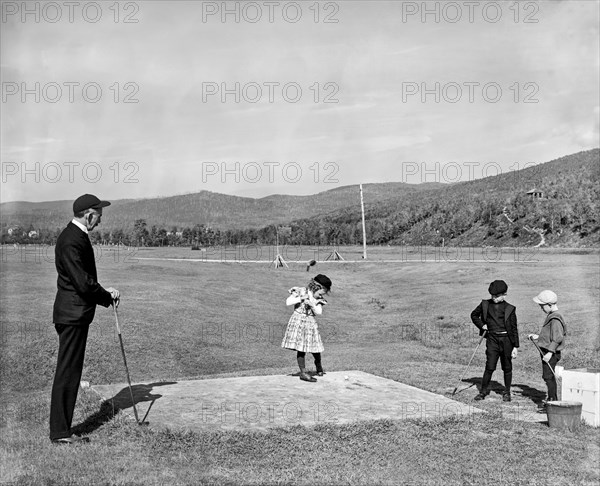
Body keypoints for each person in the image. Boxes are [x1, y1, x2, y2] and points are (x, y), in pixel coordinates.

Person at [49, 194, 120, 444]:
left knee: (70, 371)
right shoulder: (71, 240)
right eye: (98, 216)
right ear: (89, 214)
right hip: (72, 315)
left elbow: (84, 280)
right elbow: (83, 283)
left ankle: (61, 430)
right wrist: (106, 296)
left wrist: (103, 292)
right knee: (68, 372)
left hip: (74, 314)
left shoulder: (76, 236)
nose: (99, 221)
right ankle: (60, 433)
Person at [470, 279, 519, 402]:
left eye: (497, 296)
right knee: (490, 366)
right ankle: (483, 392)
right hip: (492, 339)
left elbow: (514, 328)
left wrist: (515, 347)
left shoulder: (510, 308)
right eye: (492, 295)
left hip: (507, 340)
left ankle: (507, 392)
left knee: (507, 367)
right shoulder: (485, 304)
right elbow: (474, 315)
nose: (494, 298)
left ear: (504, 295)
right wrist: (482, 325)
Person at [281, 274, 332, 382]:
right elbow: (288, 302)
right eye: (321, 292)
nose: (321, 295)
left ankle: (318, 364)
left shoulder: (318, 299)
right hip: (298, 322)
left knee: (315, 346)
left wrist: (312, 304)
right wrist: (300, 298)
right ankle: (303, 373)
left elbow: (319, 312)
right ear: (316, 287)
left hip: (310, 323)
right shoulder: (301, 291)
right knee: (301, 348)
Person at [529, 290, 566, 410]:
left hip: (551, 353)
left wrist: (550, 353)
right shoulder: (551, 316)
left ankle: (552, 402)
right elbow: (549, 335)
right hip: (547, 351)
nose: (541, 308)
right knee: (547, 376)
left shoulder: (555, 318)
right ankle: (552, 399)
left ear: (550, 305)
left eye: (542, 306)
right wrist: (538, 337)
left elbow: (557, 338)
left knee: (548, 376)